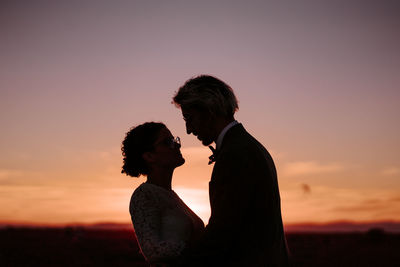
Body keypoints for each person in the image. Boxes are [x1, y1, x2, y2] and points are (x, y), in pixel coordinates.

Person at [172, 75, 290, 266]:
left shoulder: (235, 154)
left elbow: (224, 230)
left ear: (208, 111)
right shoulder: (250, 146)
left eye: (189, 118)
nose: (188, 129)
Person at [121, 122, 205, 266]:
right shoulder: (144, 195)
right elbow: (152, 250)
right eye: (168, 142)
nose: (177, 145)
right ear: (149, 156)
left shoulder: (171, 195)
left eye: (175, 140)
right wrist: (200, 248)